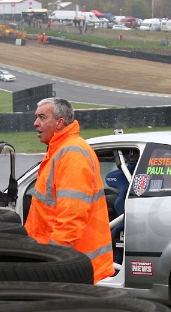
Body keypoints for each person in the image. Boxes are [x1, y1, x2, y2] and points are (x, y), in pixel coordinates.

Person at [24, 98, 114, 284]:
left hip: (69, 266)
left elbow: (70, 218)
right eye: (36, 117)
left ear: (59, 123)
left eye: (42, 117)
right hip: (68, 262)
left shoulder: (72, 154)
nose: (35, 123)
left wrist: (56, 261)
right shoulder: (60, 150)